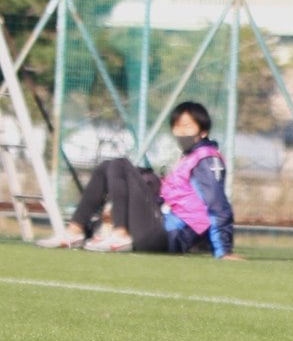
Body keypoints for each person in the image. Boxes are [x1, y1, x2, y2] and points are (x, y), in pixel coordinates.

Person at [36, 101, 240, 259]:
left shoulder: (207, 159)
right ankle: (75, 230)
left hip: (168, 237)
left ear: (203, 131)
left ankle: (120, 233)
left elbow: (217, 206)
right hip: (159, 229)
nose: (181, 132)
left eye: (187, 126)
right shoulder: (188, 157)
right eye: (177, 127)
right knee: (107, 166)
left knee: (120, 164)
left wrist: (223, 250)